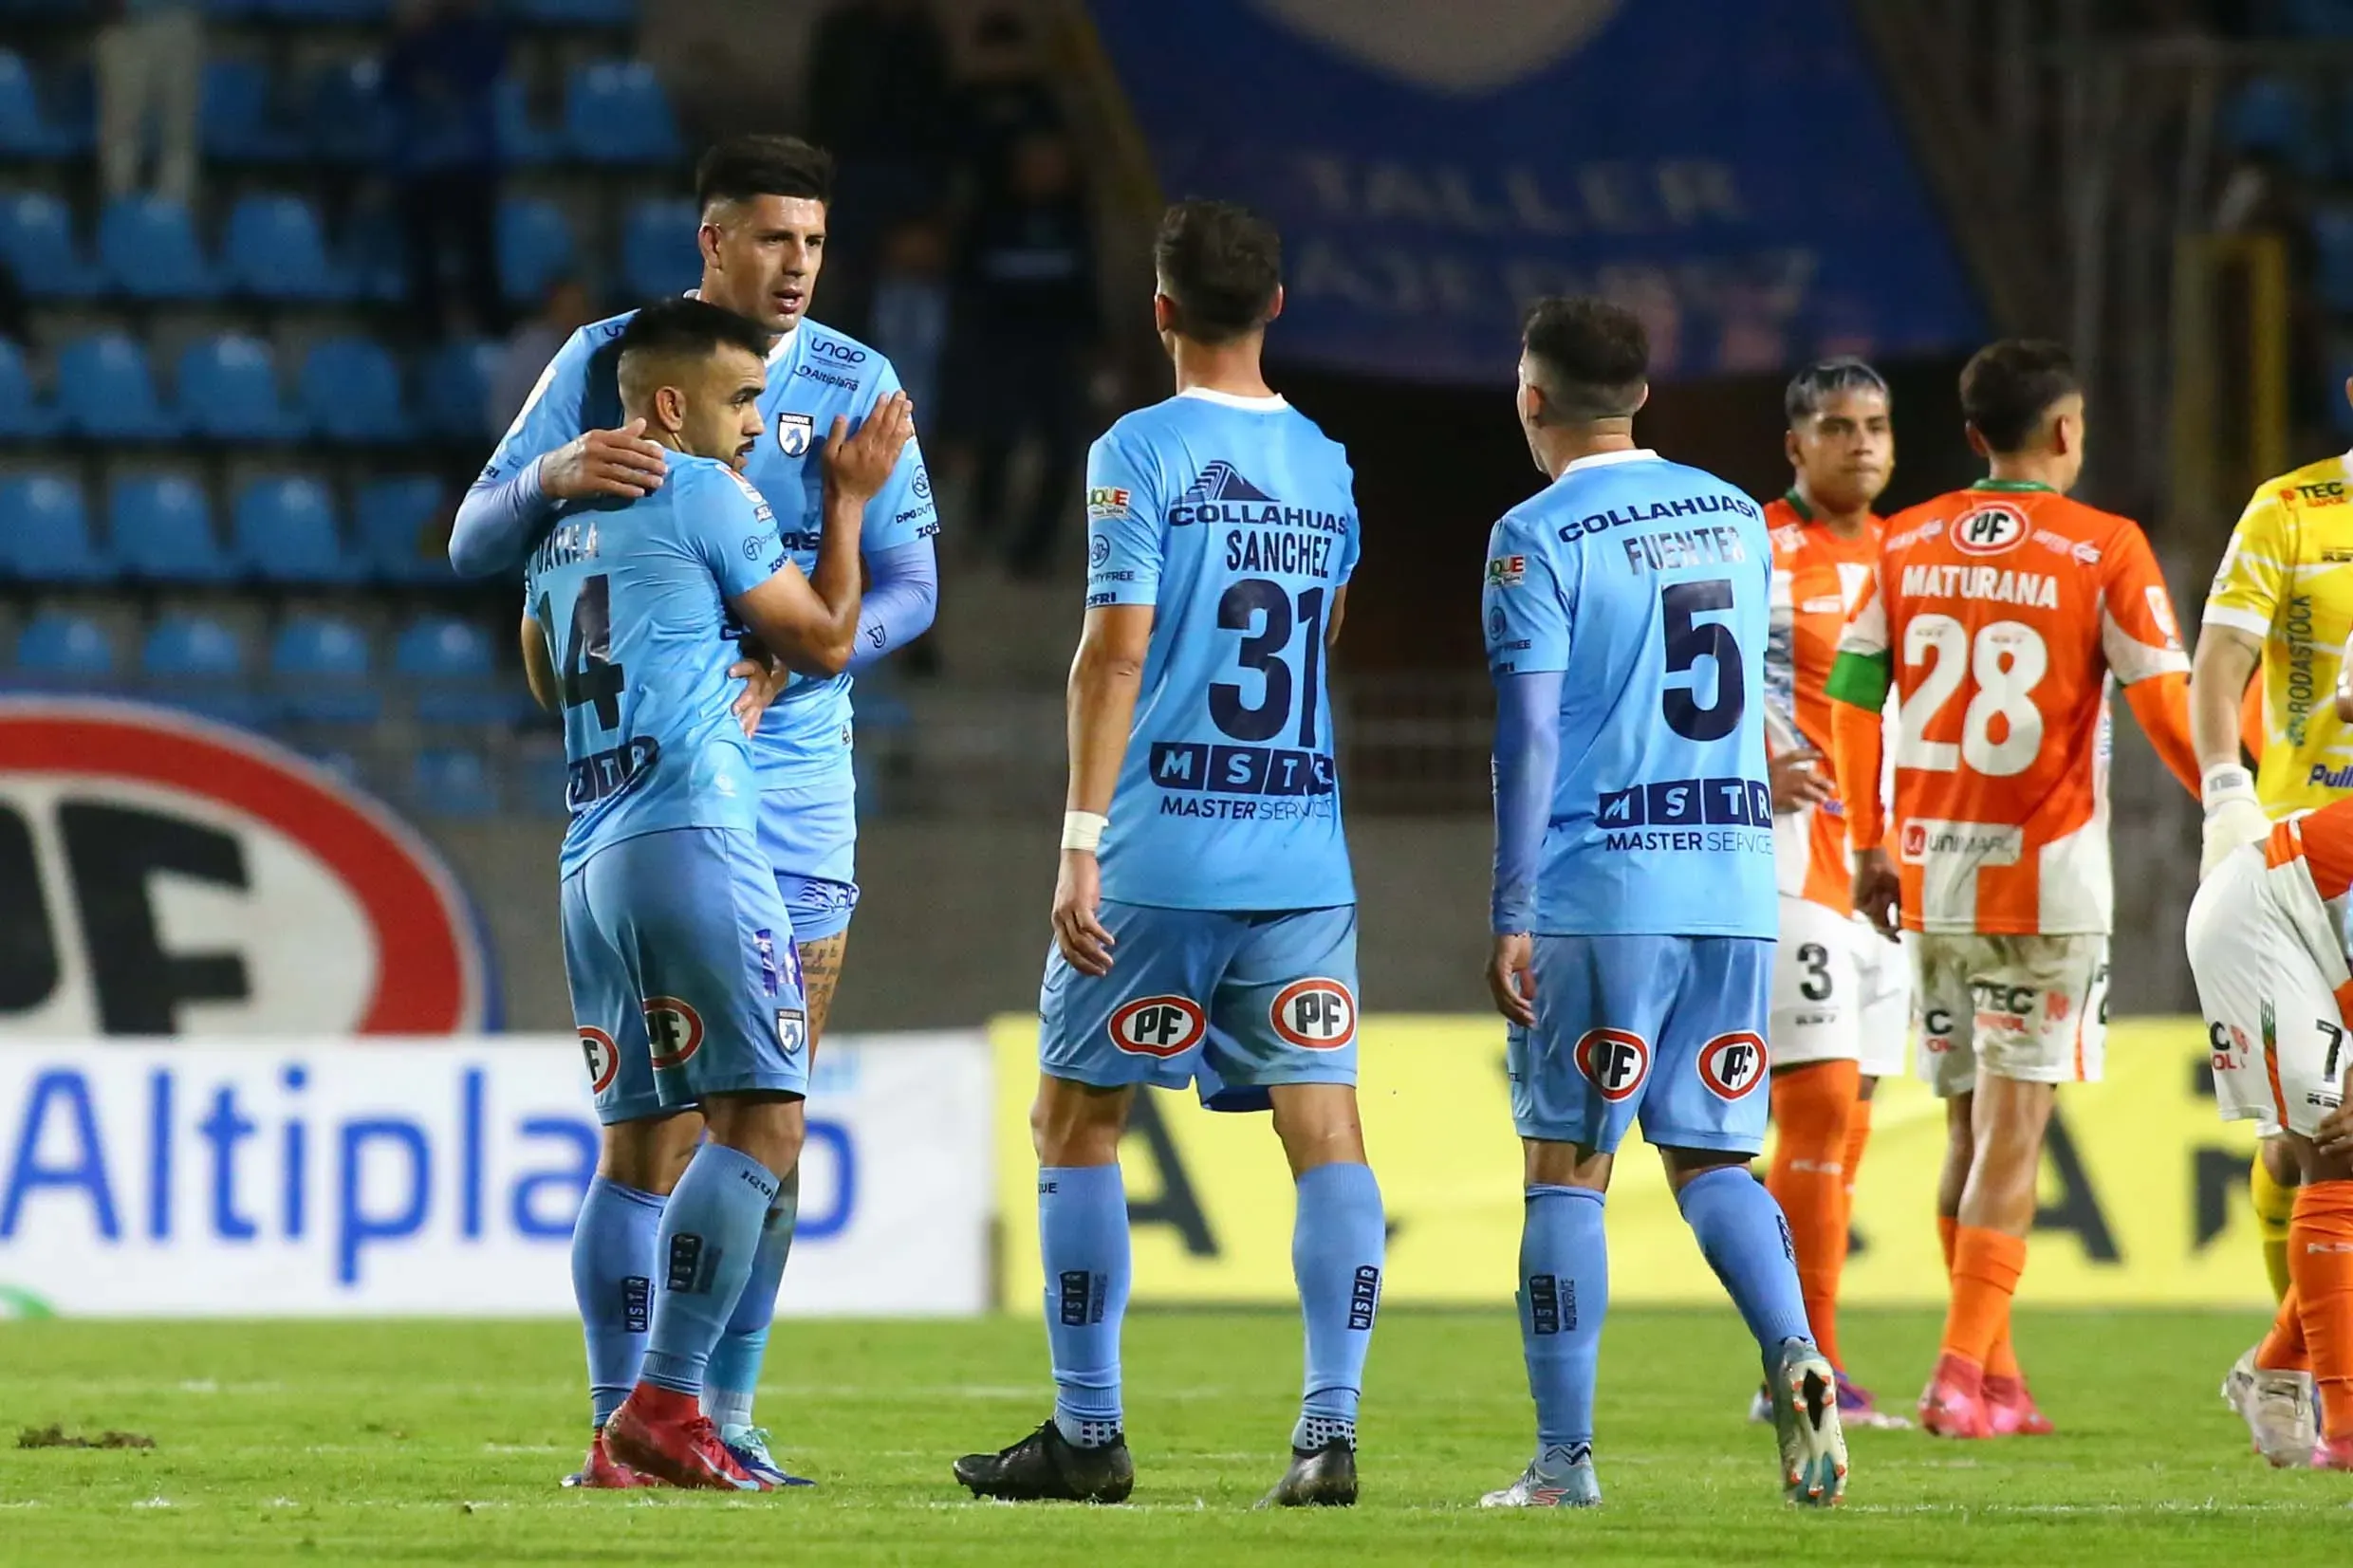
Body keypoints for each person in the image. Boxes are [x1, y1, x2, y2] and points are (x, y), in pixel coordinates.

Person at [451, 135, 940, 1488]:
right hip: (688, 791)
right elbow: (472, 537)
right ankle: (639, 1413)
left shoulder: (859, 381)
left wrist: (781, 655)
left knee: (751, 1121)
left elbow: (910, 589)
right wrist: (550, 478)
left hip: (785, 786)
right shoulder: (621, 368)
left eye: (816, 244)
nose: (797, 267)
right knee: (693, 1129)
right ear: (711, 242)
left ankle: (720, 1409)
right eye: (773, 239)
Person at [952, 199, 1384, 1509]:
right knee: (1329, 1132)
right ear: (1278, 305)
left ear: (1158, 311)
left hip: (1158, 860)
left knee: (1076, 1118)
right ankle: (1329, 1429)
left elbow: (1117, 650)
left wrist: (1080, 843)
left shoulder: (1139, 448)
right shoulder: (1327, 462)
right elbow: (1326, 634)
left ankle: (1089, 1433)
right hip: (1303, 857)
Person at [1478, 297, 1845, 1509]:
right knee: (1712, 1157)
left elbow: (1531, 730)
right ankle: (1794, 1350)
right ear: (1641, 395)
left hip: (1605, 888)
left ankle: (1560, 1465)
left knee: (1564, 1167)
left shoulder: (1533, 535)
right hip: (1735, 886)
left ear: (1533, 398)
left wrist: (1512, 906)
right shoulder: (1736, 514)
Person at [1825, 340, 2199, 1439]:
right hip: (2042, 887)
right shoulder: (2103, 548)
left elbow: (1850, 697)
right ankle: (1955, 1371)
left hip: (1929, 875)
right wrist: (2228, 802)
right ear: (2067, 432)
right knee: (2011, 1137)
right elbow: (2164, 702)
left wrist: (1867, 841)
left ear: (1972, 432)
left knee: (1963, 1133)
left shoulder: (1903, 540)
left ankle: (1994, 1374)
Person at [2194, 389, 2353, 1457]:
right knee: (2311, 1141)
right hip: (2291, 852)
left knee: (2329, 1141)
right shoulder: (2291, 510)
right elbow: (2220, 667)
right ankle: (2311, 1391)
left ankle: (2283, 1366)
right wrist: (2222, 790)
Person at [1751, 359, 1909, 1431]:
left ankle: (1809, 1358)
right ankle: (1803, 1368)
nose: (1860, 443)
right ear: (1794, 447)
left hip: (1885, 867)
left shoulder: (1911, 556)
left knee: (1847, 1122)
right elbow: (1695, 677)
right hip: (1783, 854)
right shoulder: (1748, 546)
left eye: (1876, 426)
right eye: (1837, 427)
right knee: (1812, 1100)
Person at [2190, 725, 2353, 1472]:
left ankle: (2273, 1365)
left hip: (2303, 930)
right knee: (2336, 1154)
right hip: (2259, 915)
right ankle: (2345, 1428)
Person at [956, 129, 1099, 578]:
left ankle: (1035, 551)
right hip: (1003, 349)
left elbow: (1087, 292)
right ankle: (984, 526)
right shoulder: (990, 220)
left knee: (1062, 449)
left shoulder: (1075, 222)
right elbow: (967, 286)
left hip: (1058, 352)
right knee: (997, 439)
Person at [383, 0, 510, 341]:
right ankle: (430, 337)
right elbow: (393, 83)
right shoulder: (413, 40)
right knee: (423, 260)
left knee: (478, 256)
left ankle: (491, 334)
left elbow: (485, 71)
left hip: (470, 166)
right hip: (422, 168)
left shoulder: (482, 35)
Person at [96, 0, 201, 207]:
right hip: (124, 26)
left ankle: (172, 223)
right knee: (120, 133)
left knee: (177, 134)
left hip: (179, 21)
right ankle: (119, 215)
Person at [490, 275, 593, 433]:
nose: (573, 315)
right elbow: (503, 403)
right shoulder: (529, 346)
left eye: (579, 307)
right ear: (550, 309)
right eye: (566, 308)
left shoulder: (598, 345)